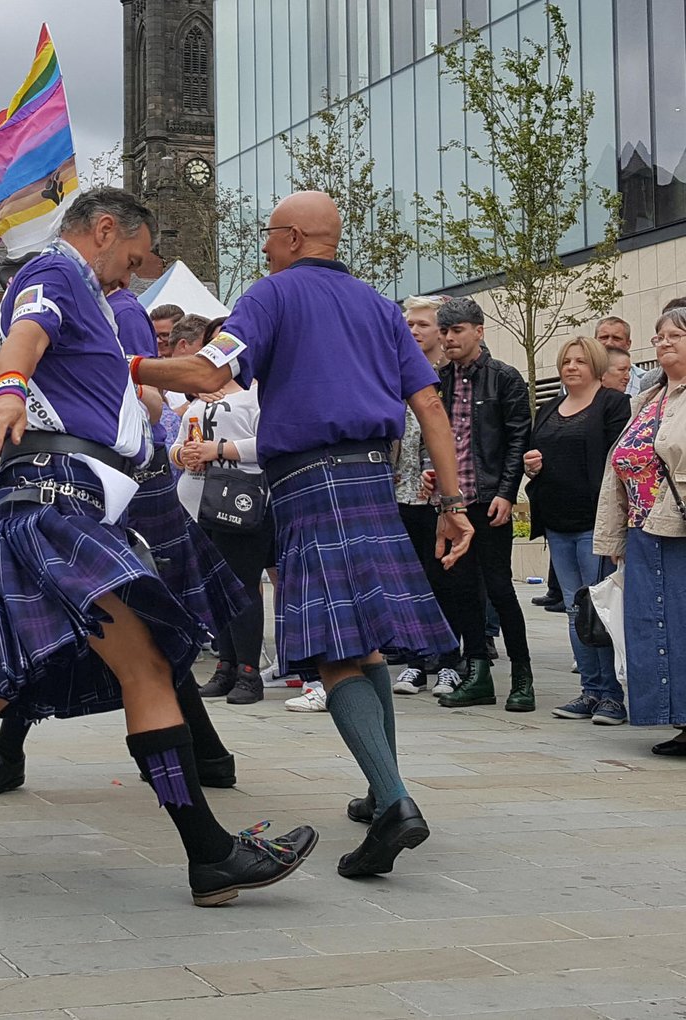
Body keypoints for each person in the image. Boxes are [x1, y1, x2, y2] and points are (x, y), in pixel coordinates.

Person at [0, 188, 315, 905]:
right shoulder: (56, 272)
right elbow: (28, 334)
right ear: (102, 231)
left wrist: (151, 376)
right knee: (149, 669)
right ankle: (211, 857)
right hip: (53, 498)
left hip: (53, 501)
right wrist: (6, 390)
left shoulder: (88, 300)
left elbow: (108, 369)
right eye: (130, 257)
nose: (131, 274)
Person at [133, 190, 473, 878]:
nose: (262, 247)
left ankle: (399, 804)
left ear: (290, 237)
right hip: (373, 477)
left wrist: (127, 365)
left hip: (309, 481)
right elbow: (430, 404)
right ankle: (383, 792)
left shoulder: (272, 296)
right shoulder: (381, 307)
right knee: (367, 646)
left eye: (267, 235)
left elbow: (204, 373)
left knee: (334, 651)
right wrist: (454, 500)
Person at [0, 285, 244, 799]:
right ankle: (206, 757)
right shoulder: (58, 299)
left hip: (115, 487)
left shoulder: (116, 309)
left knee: (94, 629)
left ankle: (7, 753)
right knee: (127, 634)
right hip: (89, 482)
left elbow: (142, 403)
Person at [434, 297, 535, 712]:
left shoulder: (504, 378)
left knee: (498, 588)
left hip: (488, 499)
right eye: (445, 331)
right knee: (460, 588)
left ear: (478, 330)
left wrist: (508, 493)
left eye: (456, 330)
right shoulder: (439, 380)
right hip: (452, 503)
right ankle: (477, 673)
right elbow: (433, 437)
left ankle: (522, 677)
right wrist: (433, 476)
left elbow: (517, 439)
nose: (449, 338)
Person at [524, 336, 630, 724]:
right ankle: (590, 690)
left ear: (596, 365)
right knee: (574, 609)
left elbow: (618, 460)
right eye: (567, 361)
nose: (572, 367)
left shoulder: (612, 403)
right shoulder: (549, 408)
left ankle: (612, 697)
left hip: (595, 523)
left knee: (599, 608)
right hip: (558, 522)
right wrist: (533, 466)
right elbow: (540, 458)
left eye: (581, 361)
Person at [594, 308, 686, 756]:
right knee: (655, 628)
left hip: (679, 529)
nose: (664, 341)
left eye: (676, 335)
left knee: (682, 625)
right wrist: (614, 538)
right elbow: (619, 470)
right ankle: (681, 719)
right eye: (659, 335)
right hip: (643, 528)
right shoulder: (647, 398)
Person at [173, 373, 270, 705]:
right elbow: (178, 444)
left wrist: (218, 450)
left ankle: (248, 671)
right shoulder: (197, 405)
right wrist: (181, 455)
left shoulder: (254, 398)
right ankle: (226, 664)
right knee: (214, 588)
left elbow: (268, 442)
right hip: (195, 501)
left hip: (238, 501)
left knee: (242, 584)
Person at [389, 295, 465, 698]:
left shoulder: (452, 378)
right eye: (409, 324)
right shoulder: (396, 372)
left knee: (444, 577)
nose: (414, 331)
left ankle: (451, 661)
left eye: (422, 324)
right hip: (400, 490)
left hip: (441, 496)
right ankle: (417, 661)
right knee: (410, 579)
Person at [595, 316, 645, 395]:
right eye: (604, 337)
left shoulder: (645, 381)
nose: (609, 343)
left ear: (628, 344)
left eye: (616, 338)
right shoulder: (576, 378)